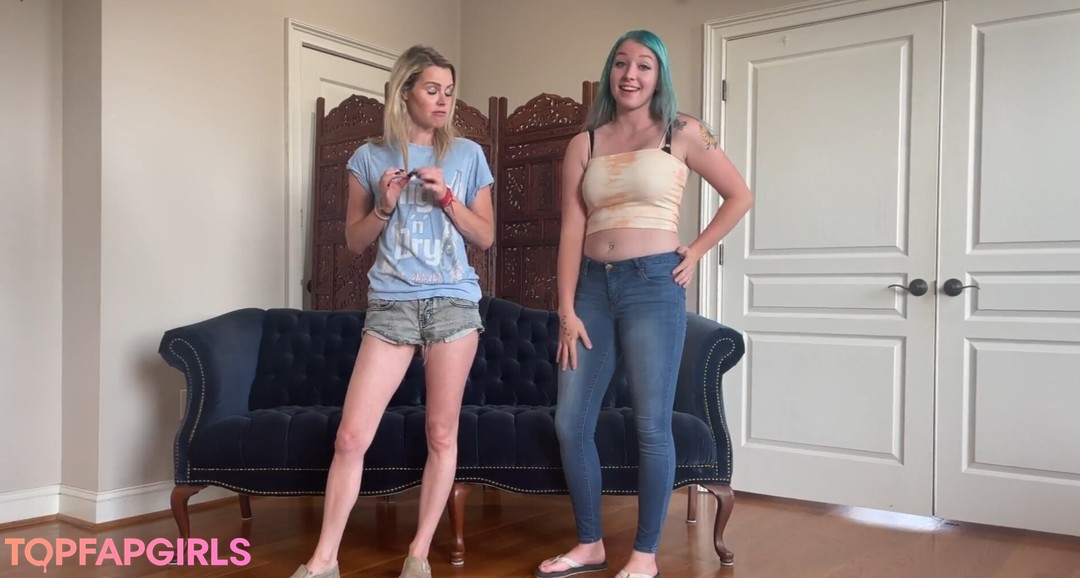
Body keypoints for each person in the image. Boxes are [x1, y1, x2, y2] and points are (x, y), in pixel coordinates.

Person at [535, 30, 754, 578]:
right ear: (609, 72)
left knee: (651, 425)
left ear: (659, 77)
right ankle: (590, 544)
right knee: (570, 422)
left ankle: (645, 555)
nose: (630, 75)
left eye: (644, 65)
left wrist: (696, 250)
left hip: (653, 285)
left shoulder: (683, 131)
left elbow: (740, 195)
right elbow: (571, 229)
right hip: (591, 288)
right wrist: (566, 308)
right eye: (621, 64)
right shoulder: (584, 143)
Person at [290, 45, 495, 578]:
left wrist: (448, 199)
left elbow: (486, 237)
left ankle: (418, 553)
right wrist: (384, 205)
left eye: (449, 92)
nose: (443, 101)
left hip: (453, 304)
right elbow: (354, 242)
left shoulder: (468, 154)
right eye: (432, 90)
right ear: (404, 92)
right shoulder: (367, 156)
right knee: (351, 436)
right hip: (391, 305)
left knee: (441, 434)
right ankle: (324, 561)